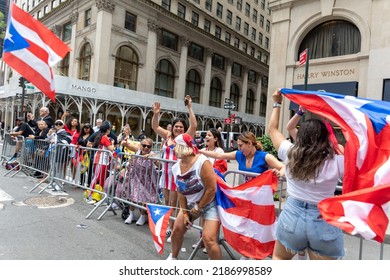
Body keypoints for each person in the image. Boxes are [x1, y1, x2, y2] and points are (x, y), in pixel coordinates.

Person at [268, 88, 345, 260]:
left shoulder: (290, 152)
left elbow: (273, 129)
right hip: (323, 219)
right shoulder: (338, 161)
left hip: (292, 217)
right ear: (326, 138)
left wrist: (277, 102)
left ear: (300, 136)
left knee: (280, 259)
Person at [166, 133, 222, 260]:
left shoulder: (202, 162)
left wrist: (199, 206)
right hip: (191, 203)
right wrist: (185, 214)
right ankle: (173, 258)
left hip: (210, 203)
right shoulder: (176, 167)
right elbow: (181, 191)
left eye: (175, 146)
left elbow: (211, 189)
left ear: (182, 147)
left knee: (209, 239)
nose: (173, 149)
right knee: (177, 230)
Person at [151, 95, 197, 240]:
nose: (178, 128)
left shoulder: (185, 138)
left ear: (184, 129)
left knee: (175, 204)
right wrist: (156, 114)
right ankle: (171, 227)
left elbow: (194, 126)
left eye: (181, 127)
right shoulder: (167, 136)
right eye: (176, 126)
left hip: (178, 175)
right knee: (166, 202)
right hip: (165, 174)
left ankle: (174, 229)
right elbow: (155, 126)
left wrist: (189, 107)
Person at [200, 131, 284, 181]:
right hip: (246, 193)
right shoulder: (239, 154)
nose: (239, 148)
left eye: (241, 145)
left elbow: (283, 167)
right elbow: (218, 155)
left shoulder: (265, 157)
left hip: (260, 195)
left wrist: (279, 173)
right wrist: (199, 151)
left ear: (249, 143)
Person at [120, 137, 159, 226]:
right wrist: (124, 143)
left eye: (148, 146)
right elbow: (129, 145)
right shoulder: (137, 150)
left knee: (143, 198)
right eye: (144, 145)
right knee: (132, 195)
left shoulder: (152, 155)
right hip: (135, 177)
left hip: (147, 180)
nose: (146, 148)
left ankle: (142, 216)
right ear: (140, 145)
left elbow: (159, 164)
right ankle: (131, 214)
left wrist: (153, 159)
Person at [86, 122, 116, 204]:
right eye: (110, 129)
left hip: (103, 160)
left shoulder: (101, 136)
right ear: (107, 129)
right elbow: (111, 148)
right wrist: (112, 143)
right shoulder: (104, 137)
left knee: (102, 179)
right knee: (96, 178)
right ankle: (89, 195)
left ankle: (100, 196)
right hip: (101, 160)